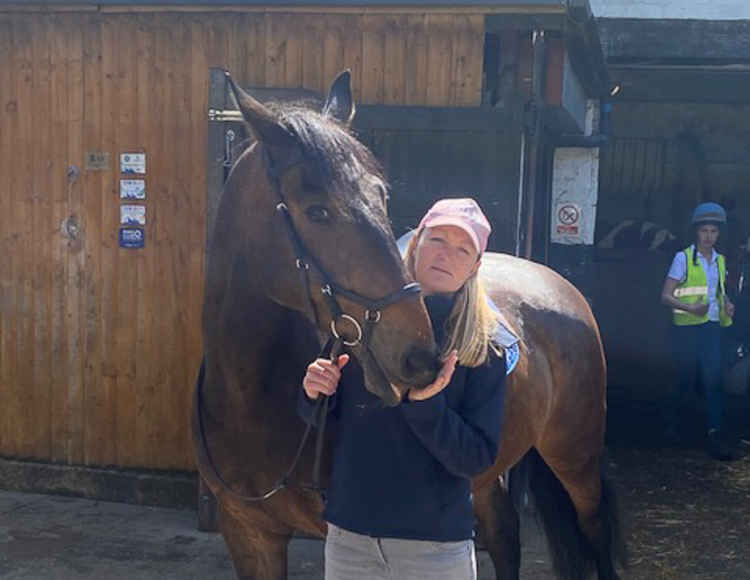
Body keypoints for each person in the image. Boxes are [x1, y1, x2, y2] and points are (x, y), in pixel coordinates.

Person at [299, 198, 506, 580]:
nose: (447, 255)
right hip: (351, 540)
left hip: (434, 550)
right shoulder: (359, 323)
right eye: (438, 239)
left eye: (463, 250)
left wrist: (428, 408)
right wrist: (315, 393)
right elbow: (329, 422)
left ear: (475, 267)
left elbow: (476, 459)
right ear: (416, 244)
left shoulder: (483, 349)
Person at [660, 202, 736, 461]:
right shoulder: (683, 258)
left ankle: (715, 434)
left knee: (714, 380)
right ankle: (672, 428)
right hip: (687, 330)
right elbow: (665, 296)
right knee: (685, 378)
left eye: (713, 232)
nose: (708, 236)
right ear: (696, 232)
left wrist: (727, 304)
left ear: (718, 234)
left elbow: (718, 292)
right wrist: (690, 308)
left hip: (712, 328)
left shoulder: (721, 261)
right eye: (704, 231)